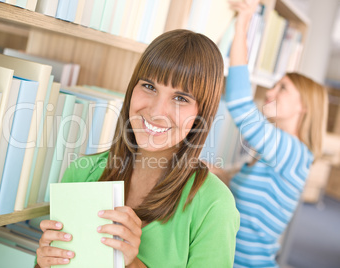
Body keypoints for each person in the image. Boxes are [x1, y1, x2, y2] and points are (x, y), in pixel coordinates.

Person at [35, 29, 240, 268]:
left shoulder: (214, 205)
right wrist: (44, 264)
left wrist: (132, 264)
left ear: (200, 115)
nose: (155, 111)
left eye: (181, 98)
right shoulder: (82, 173)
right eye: (149, 87)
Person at [223, 0, 328, 267]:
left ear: (304, 106)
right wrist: (219, 174)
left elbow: (239, 104)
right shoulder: (273, 151)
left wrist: (243, 25)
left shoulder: (293, 151)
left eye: (282, 89)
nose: (269, 93)